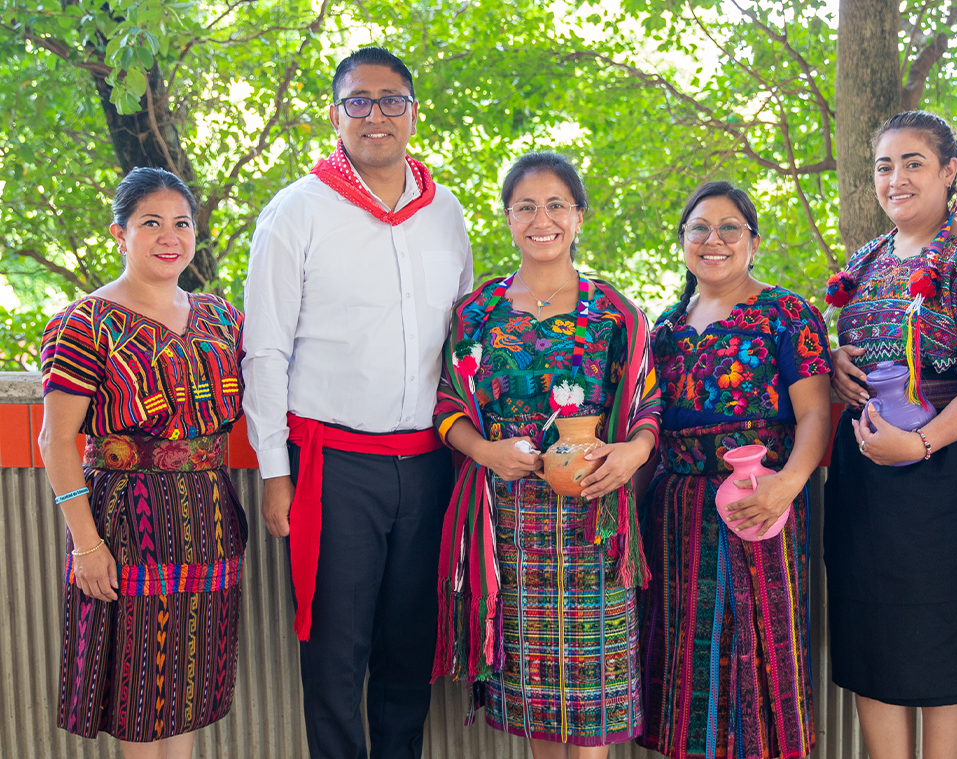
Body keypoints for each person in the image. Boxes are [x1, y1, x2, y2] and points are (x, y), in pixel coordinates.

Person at [241, 47, 471, 759]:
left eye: (391, 99)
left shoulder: (447, 212)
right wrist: (275, 474)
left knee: (411, 641)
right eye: (359, 101)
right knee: (336, 646)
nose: (377, 115)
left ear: (412, 110)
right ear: (335, 113)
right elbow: (267, 351)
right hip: (334, 466)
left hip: (430, 463)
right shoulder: (296, 211)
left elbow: (465, 338)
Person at [431, 152, 661, 758]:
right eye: (526, 206)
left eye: (557, 204)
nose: (543, 219)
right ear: (507, 218)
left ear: (579, 216)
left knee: (590, 704)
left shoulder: (616, 312)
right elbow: (445, 405)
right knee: (538, 711)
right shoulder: (476, 312)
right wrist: (485, 450)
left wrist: (632, 455)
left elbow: (648, 405)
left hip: (594, 518)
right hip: (507, 522)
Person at [823, 111, 957, 758]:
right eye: (885, 165)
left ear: (949, 171)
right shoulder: (864, 260)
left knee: (947, 644)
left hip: (945, 474)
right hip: (864, 478)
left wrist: (921, 442)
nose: (897, 177)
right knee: (871, 635)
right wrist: (836, 362)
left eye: (913, 162)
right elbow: (862, 351)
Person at [38, 167, 247, 759]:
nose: (169, 236)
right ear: (119, 234)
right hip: (128, 522)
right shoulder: (83, 323)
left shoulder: (219, 318)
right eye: (150, 222)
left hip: (208, 516)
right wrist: (85, 543)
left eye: (182, 223)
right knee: (138, 690)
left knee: (186, 682)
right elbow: (55, 440)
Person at [638, 181, 832, 759]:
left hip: (759, 505)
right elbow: (647, 432)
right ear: (682, 242)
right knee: (684, 668)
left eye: (729, 227)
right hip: (674, 516)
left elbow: (816, 413)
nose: (713, 239)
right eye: (699, 227)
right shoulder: (664, 331)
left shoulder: (787, 313)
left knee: (757, 667)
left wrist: (787, 487)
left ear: (752, 239)